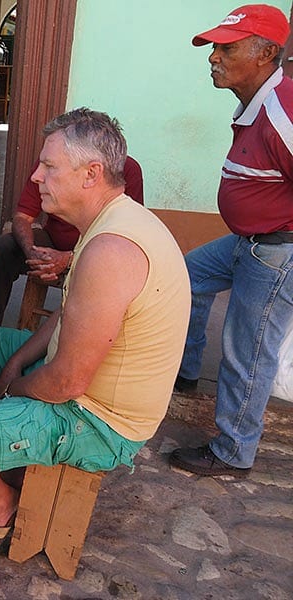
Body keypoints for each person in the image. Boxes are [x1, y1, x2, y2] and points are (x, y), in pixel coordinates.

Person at [0, 108, 190, 558]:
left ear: (91, 174)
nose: (37, 175)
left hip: (101, 422)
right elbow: (69, 319)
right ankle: (8, 446)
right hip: (87, 388)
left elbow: (66, 383)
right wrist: (20, 359)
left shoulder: (111, 249)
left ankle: (0, 501)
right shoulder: (110, 221)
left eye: (49, 166)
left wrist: (13, 389)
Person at [170, 4, 293, 478]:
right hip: (247, 240)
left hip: (274, 250)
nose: (214, 57)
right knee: (186, 277)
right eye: (214, 47)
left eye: (227, 47)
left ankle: (232, 450)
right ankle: (184, 371)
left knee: (248, 346)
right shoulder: (257, 100)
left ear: (265, 53)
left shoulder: (282, 109)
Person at [0, 155, 144, 327]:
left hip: (100, 251)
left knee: (107, 266)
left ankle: (80, 334)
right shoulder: (53, 161)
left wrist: (70, 258)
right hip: (54, 239)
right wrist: (31, 252)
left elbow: (126, 238)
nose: (37, 176)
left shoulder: (127, 169)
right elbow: (22, 217)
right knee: (4, 248)